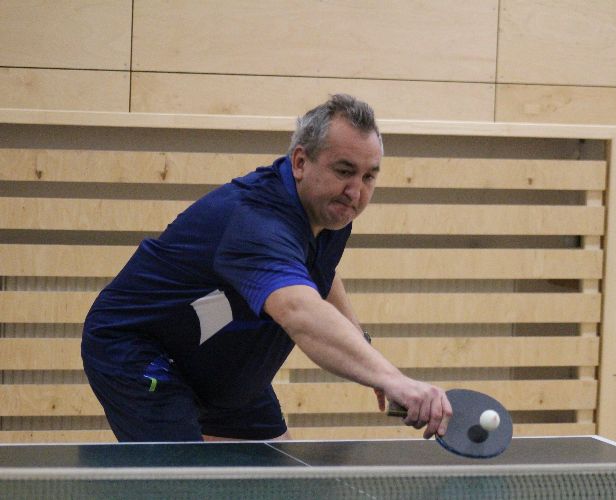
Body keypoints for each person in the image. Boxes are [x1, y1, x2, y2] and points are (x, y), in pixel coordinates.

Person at [81, 94, 452, 442]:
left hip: (219, 353)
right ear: (300, 162)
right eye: (344, 171)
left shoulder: (329, 214)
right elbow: (299, 310)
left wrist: (367, 355)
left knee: (278, 475)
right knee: (185, 478)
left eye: (368, 177)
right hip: (138, 348)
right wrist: (392, 379)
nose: (355, 192)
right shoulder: (255, 224)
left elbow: (319, 274)